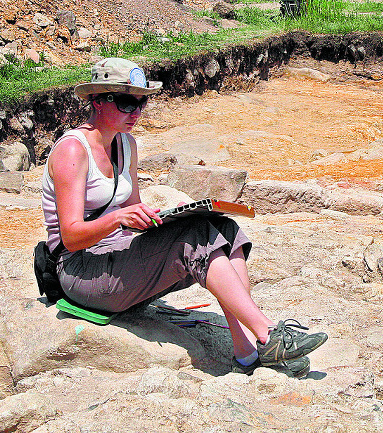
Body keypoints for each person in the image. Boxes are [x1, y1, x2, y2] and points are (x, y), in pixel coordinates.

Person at [41, 57, 327, 378]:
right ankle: (267, 333)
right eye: (125, 102)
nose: (135, 112)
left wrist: (159, 220)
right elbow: (71, 236)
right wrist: (120, 218)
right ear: (97, 100)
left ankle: (247, 350)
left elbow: (134, 211)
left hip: (119, 261)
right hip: (82, 273)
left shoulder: (127, 144)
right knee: (196, 237)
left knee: (223, 228)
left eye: (141, 102)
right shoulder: (71, 151)